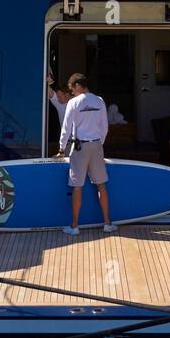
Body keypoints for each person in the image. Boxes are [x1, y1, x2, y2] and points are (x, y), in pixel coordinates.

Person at [57, 73, 115, 236]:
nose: (71, 93)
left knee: (77, 186)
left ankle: (74, 226)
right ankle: (107, 224)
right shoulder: (99, 101)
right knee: (101, 184)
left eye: (72, 89)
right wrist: (99, 143)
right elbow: (104, 127)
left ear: (77, 86)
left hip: (80, 147)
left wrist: (62, 149)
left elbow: (66, 128)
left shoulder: (73, 103)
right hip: (96, 145)